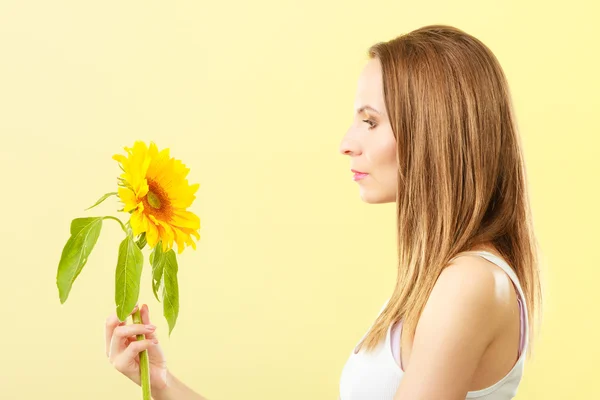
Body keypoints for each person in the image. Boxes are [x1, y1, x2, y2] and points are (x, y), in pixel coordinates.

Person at [104, 24, 542, 400]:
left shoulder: (471, 284)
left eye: (370, 121)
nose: (347, 142)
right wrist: (163, 384)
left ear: (433, 131)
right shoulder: (437, 282)